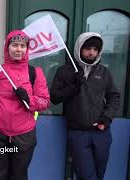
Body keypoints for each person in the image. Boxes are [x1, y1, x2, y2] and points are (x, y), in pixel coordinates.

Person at [0, 30, 50, 180]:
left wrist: (29, 99)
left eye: (23, 46)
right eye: (15, 45)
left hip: (24, 136)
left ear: (27, 49)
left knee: (18, 176)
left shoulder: (34, 73)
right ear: (7, 47)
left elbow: (44, 101)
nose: (18, 49)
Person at [50, 32, 120, 180]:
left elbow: (114, 96)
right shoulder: (65, 71)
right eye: (88, 48)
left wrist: (106, 118)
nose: (91, 52)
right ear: (80, 48)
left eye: (95, 49)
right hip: (78, 133)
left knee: (98, 174)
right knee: (87, 176)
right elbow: (54, 98)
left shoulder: (104, 72)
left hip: (101, 132)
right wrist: (73, 86)